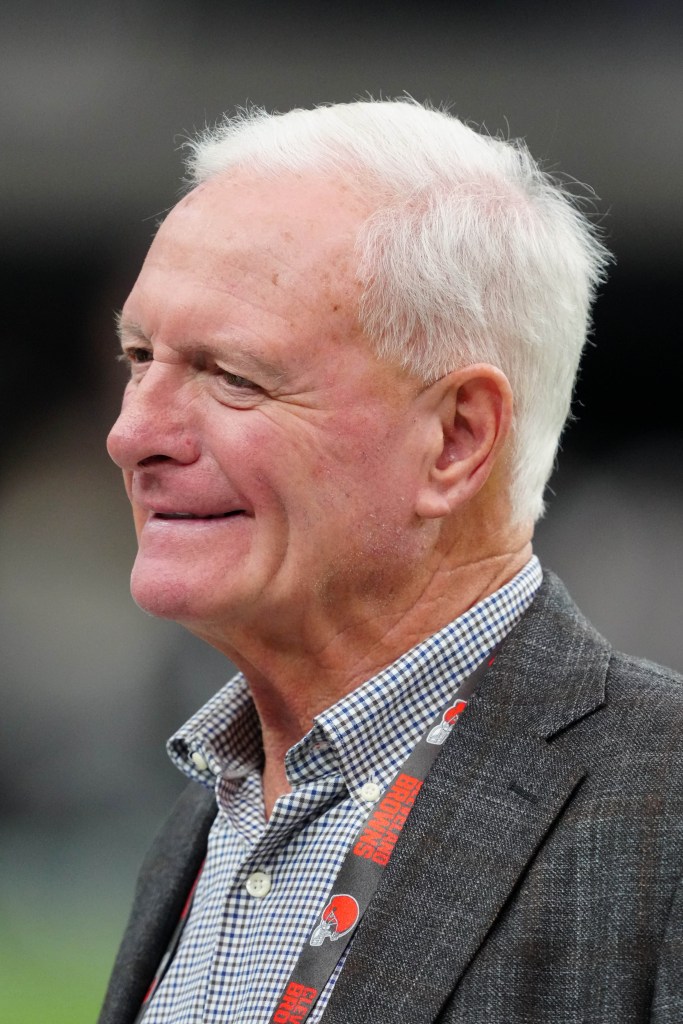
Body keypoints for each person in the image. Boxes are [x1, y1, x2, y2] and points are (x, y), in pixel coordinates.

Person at [99, 100, 682, 1024]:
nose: (133, 434)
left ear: (455, 439)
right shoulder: (206, 824)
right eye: (140, 357)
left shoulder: (661, 814)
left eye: (232, 376)